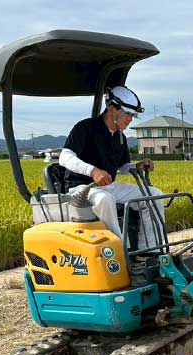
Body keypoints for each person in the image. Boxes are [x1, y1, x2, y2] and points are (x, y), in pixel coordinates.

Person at [59, 85, 165, 250]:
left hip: (109, 186)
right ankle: (121, 251)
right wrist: (93, 171)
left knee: (154, 195)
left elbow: (122, 167)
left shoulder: (120, 137)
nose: (130, 119)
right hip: (82, 188)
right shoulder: (85, 128)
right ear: (111, 109)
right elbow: (64, 157)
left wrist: (137, 166)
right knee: (105, 200)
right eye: (127, 113)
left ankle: (151, 251)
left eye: (133, 115)